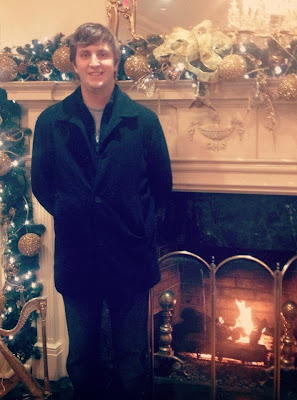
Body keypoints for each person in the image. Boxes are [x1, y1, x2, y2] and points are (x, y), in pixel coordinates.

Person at [31, 22, 172, 399]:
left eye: (103, 54)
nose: (95, 62)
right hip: (78, 256)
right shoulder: (50, 123)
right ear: (75, 63)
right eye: (86, 54)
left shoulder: (143, 122)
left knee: (132, 360)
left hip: (130, 256)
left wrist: (136, 227)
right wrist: (74, 212)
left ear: (116, 60)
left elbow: (162, 188)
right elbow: (42, 184)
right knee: (82, 358)